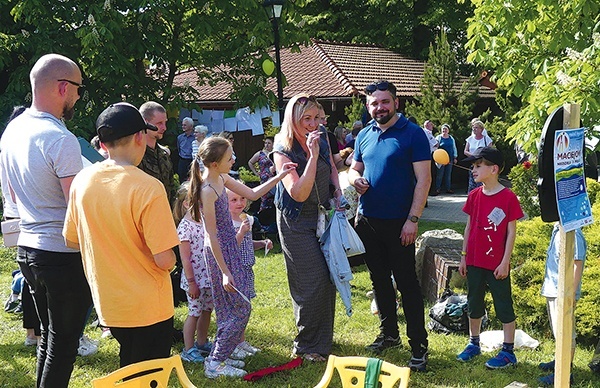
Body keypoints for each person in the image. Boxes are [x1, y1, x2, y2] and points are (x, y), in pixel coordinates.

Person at [0, 53, 92, 387]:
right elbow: (77, 208)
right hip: (61, 253)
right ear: (63, 87)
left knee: (50, 340)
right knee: (63, 344)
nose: (79, 97)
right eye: (79, 89)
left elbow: (8, 194)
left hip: (26, 249)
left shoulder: (13, 129)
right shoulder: (60, 138)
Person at [63, 102, 179, 367]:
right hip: (149, 307)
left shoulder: (82, 181)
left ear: (103, 144)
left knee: (129, 367)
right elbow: (165, 260)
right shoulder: (149, 187)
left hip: (109, 303)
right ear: (140, 137)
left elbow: (71, 239)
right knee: (148, 375)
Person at [188, 136, 294, 378]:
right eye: (229, 157)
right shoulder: (207, 191)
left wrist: (280, 176)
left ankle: (220, 357)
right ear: (214, 164)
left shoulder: (223, 178)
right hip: (218, 254)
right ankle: (215, 363)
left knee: (235, 308)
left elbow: (254, 194)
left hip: (230, 250)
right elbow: (211, 237)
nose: (234, 159)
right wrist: (224, 272)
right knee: (239, 308)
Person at [348, 80, 430, 372]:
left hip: (401, 223)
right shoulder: (365, 135)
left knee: (407, 284)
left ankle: (419, 347)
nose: (379, 108)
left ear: (396, 102)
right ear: (368, 106)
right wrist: (352, 179)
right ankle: (389, 334)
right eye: (374, 103)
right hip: (368, 220)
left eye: (384, 102)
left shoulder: (413, 134)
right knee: (379, 280)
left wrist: (412, 220)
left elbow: (424, 180)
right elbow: (354, 167)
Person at [271, 94, 342, 362]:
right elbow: (298, 193)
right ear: (293, 119)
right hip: (296, 220)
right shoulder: (283, 148)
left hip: (323, 215)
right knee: (309, 282)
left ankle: (321, 342)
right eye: (306, 119)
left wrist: (337, 192)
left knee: (328, 277)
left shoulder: (321, 135)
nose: (313, 125)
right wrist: (311, 156)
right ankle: (305, 346)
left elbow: (332, 168)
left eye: (316, 118)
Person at [457, 146, 524, 369]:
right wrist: (464, 256)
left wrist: (505, 261)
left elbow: (511, 232)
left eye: (478, 166)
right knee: (473, 302)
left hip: (497, 264)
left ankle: (508, 351)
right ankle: (473, 343)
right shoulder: (474, 195)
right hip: (474, 261)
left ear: (494, 169)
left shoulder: (508, 197)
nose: (473, 170)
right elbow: (468, 227)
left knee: (503, 304)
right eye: (473, 166)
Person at [537, 224, 586, 385]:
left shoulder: (573, 232)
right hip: (554, 290)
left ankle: (566, 372)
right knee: (558, 331)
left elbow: (577, 262)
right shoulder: (558, 230)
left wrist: (569, 293)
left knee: (565, 332)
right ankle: (559, 361)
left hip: (563, 293)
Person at [226, 186, 272, 357]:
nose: (240, 203)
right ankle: (232, 344)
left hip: (246, 270)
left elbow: (246, 243)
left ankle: (241, 341)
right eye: (234, 200)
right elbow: (229, 248)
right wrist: (240, 232)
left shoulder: (248, 220)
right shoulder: (226, 222)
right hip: (233, 272)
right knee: (236, 309)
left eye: (243, 199)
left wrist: (261, 243)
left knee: (245, 307)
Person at [172, 183, 214, 363]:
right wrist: (191, 283)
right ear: (187, 204)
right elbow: (186, 259)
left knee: (207, 310)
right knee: (194, 312)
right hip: (194, 280)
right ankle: (188, 349)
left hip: (208, 278)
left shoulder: (205, 222)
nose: (204, 206)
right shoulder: (184, 228)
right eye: (201, 203)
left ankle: (202, 343)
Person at [138, 101, 176, 205]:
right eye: (159, 123)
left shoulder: (164, 154)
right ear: (146, 122)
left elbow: (171, 188)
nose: (164, 128)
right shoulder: (136, 156)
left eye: (165, 123)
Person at [247, 136, 276, 212]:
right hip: (264, 179)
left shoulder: (275, 153)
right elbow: (250, 162)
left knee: (274, 198)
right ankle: (262, 215)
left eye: (269, 143)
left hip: (274, 179)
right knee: (264, 199)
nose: (266, 145)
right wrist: (256, 173)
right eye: (265, 143)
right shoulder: (260, 154)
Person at [464, 120, 493, 193]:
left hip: (483, 165)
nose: (474, 129)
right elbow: (465, 151)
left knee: (481, 185)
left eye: (476, 128)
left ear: (481, 129)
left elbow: (491, 152)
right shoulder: (470, 139)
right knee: (472, 185)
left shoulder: (486, 139)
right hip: (473, 164)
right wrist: (473, 155)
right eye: (473, 128)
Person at [435, 123, 458, 194]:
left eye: (445, 129)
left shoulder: (451, 138)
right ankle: (437, 189)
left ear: (448, 130)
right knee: (439, 175)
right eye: (443, 129)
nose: (444, 130)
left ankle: (448, 188)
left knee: (448, 175)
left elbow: (454, 147)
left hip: (450, 159)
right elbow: (435, 148)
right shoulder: (438, 138)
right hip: (440, 159)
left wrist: (455, 157)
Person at [423, 120, 439, 196]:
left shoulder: (428, 133)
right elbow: (436, 144)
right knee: (432, 173)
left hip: (430, 155)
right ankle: (432, 191)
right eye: (431, 125)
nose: (432, 127)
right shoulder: (427, 132)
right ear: (426, 125)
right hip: (429, 155)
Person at [177, 117, 195, 181]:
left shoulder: (195, 137)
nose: (183, 126)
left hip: (191, 161)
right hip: (182, 161)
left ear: (191, 126)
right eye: (182, 125)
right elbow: (178, 148)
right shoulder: (180, 137)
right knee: (181, 179)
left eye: (185, 125)